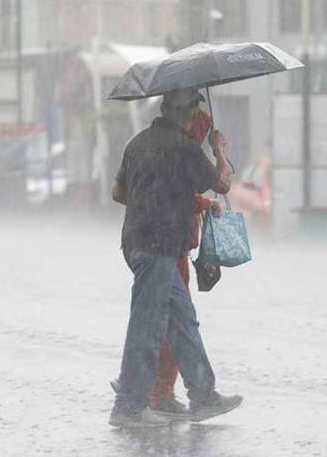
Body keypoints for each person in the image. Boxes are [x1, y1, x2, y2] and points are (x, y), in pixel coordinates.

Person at [109, 88, 242, 428]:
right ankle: (128, 407)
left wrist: (152, 198)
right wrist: (219, 151)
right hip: (159, 247)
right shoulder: (184, 148)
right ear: (189, 114)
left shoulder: (137, 143)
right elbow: (223, 184)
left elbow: (118, 192)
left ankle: (203, 395)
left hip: (139, 243)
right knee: (147, 324)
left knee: (182, 321)